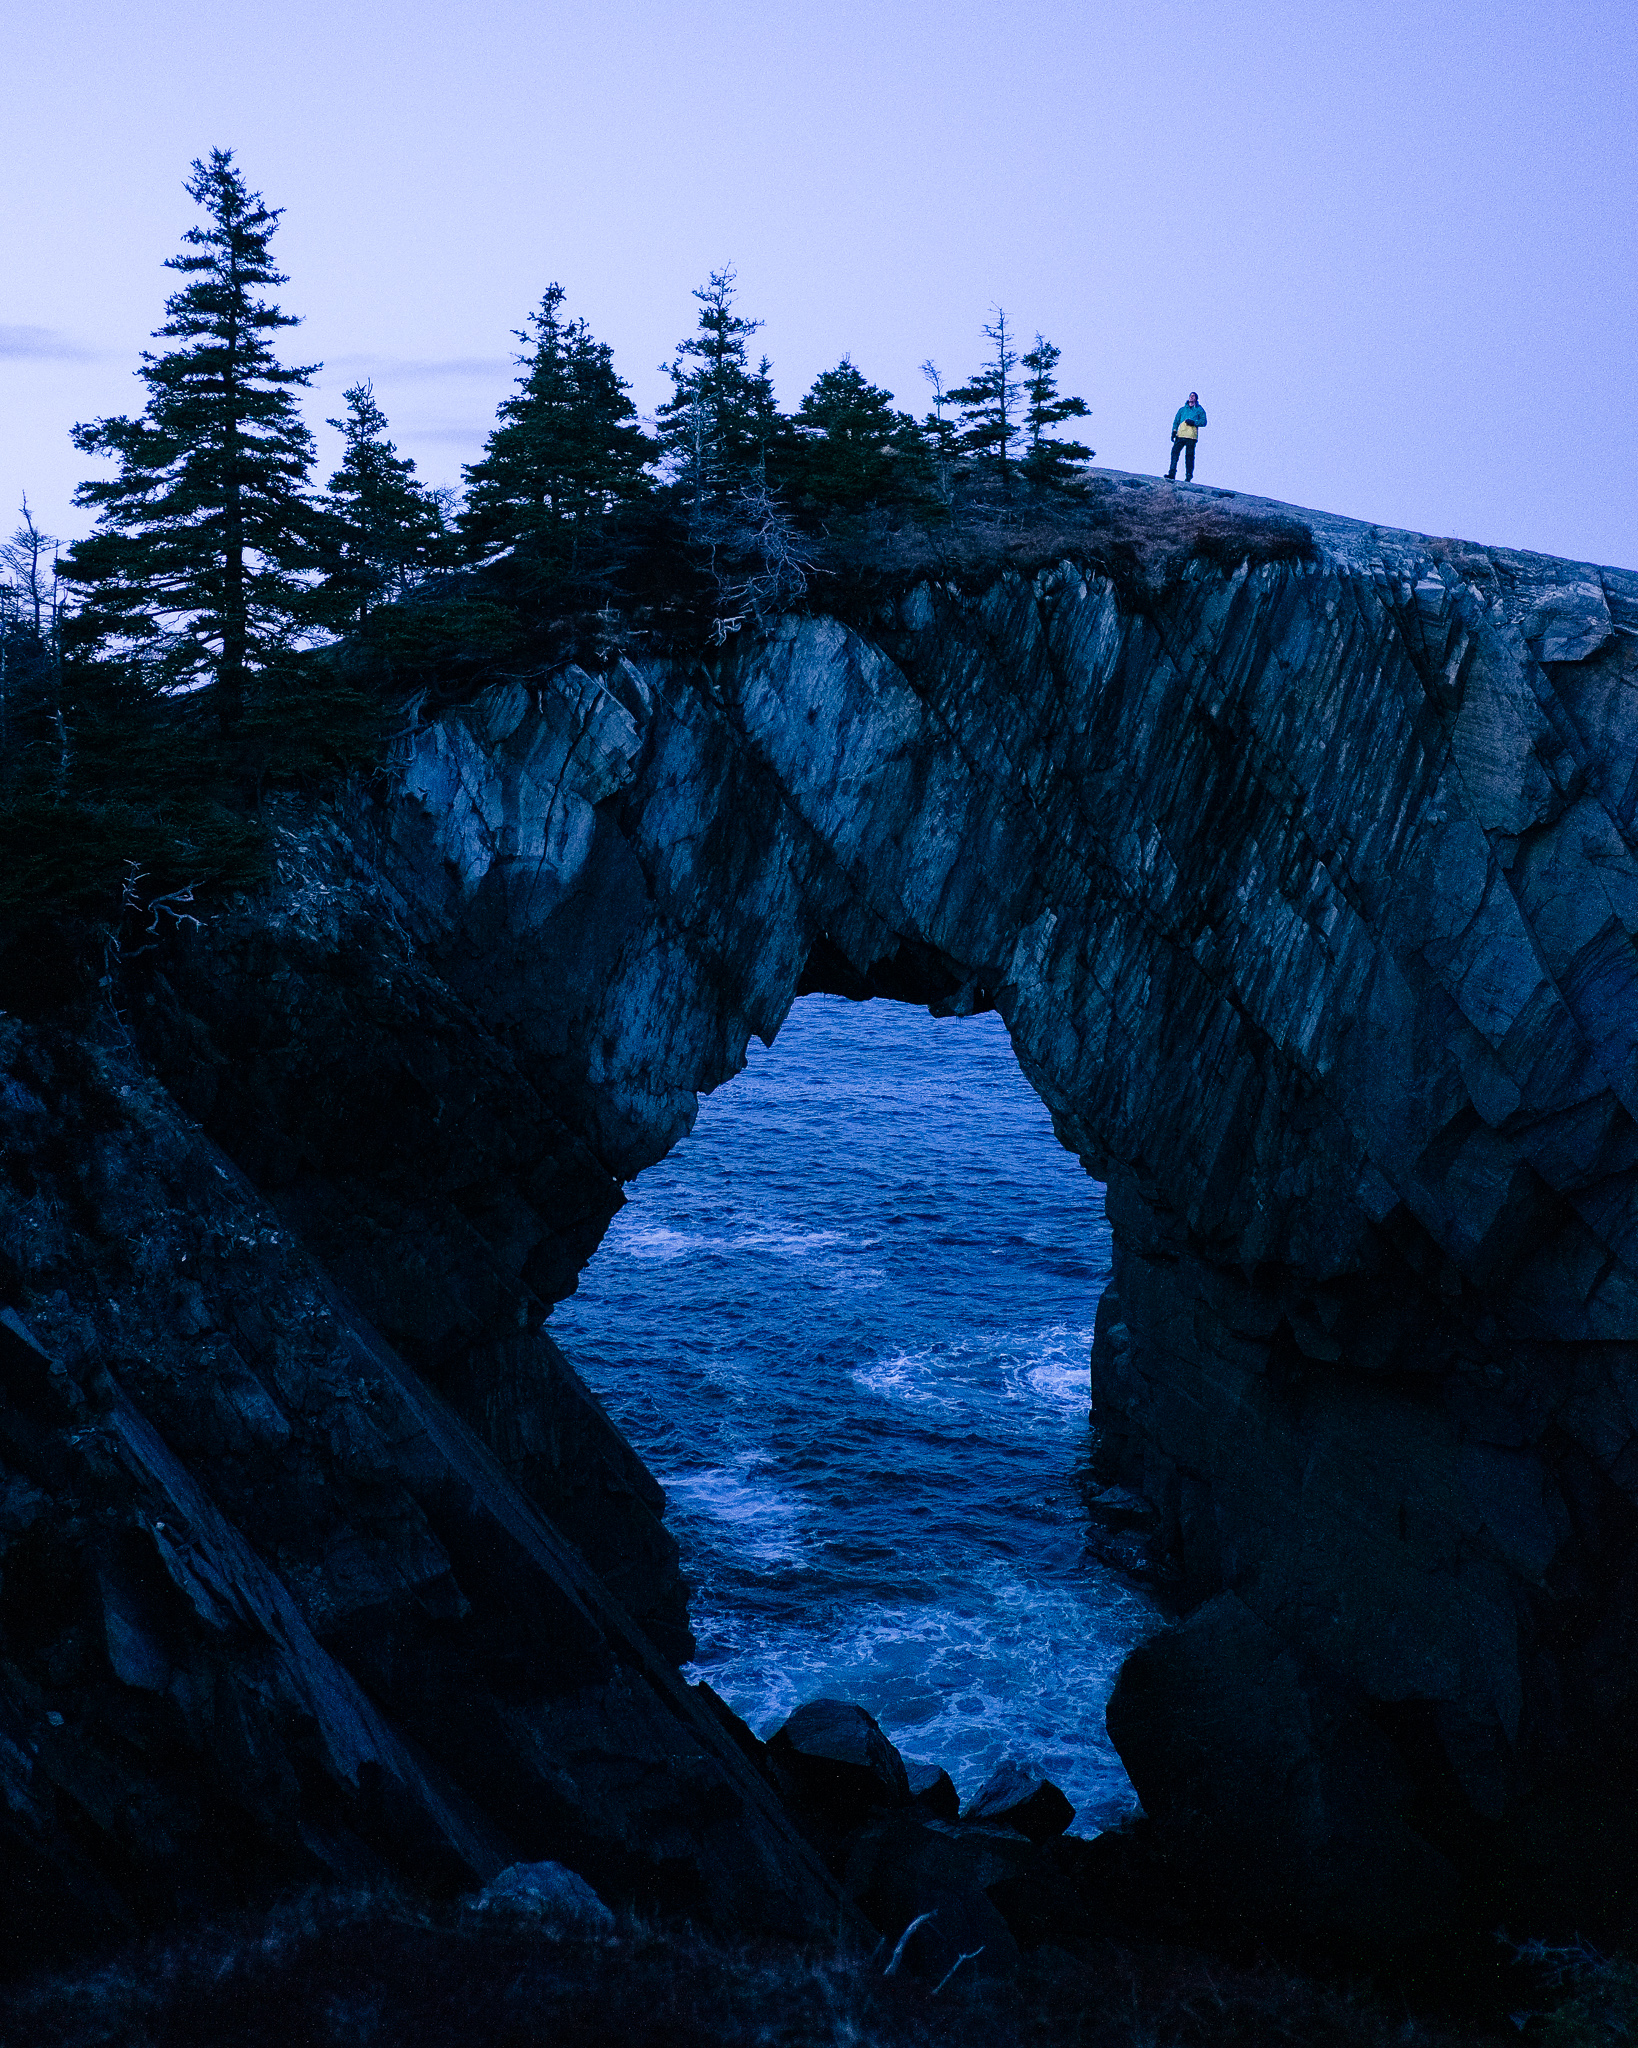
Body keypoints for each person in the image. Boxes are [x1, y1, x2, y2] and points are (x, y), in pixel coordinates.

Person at [1167, 393, 1207, 481]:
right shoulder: (1182, 410)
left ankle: (1188, 476)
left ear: (1196, 398)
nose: (1191, 397)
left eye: (1193, 396)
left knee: (1189, 456)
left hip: (1191, 436)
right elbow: (1176, 421)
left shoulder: (1199, 410)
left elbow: (1204, 422)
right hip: (1180, 434)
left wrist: (1194, 422)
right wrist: (1174, 431)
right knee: (1174, 453)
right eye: (1190, 395)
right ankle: (1171, 473)